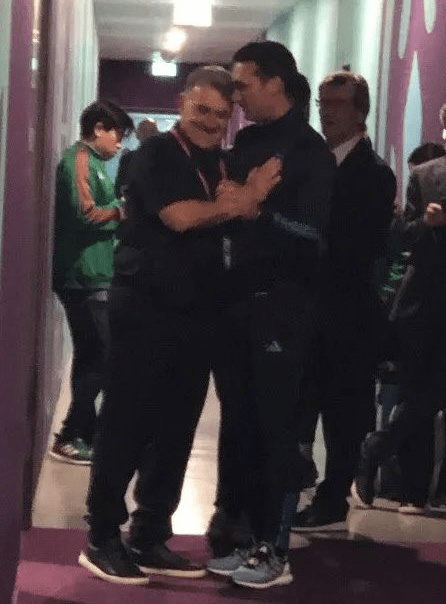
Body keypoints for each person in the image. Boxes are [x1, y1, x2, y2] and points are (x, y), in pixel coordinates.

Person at [78, 66, 281, 586]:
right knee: (126, 424)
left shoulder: (221, 162)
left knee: (176, 429)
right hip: (144, 310)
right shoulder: (154, 154)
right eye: (201, 110)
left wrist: (236, 202)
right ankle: (102, 537)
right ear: (181, 103)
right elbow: (180, 217)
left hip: (198, 315)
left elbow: (230, 215)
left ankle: (149, 534)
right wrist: (237, 202)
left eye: (221, 114)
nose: (211, 122)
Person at [206, 41, 335, 588]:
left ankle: (273, 549)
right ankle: (243, 534)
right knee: (241, 424)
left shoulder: (309, 152)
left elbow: (312, 235)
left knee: (277, 428)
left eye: (243, 85)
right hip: (237, 304)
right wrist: (240, 205)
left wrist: (255, 210)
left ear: (275, 83)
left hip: (285, 307)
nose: (235, 97)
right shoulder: (247, 142)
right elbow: (226, 207)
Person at [292, 70, 396, 530]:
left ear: (360, 112)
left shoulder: (373, 173)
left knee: (342, 413)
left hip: (347, 314)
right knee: (300, 404)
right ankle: (299, 484)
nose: (326, 112)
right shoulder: (312, 161)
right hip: (305, 309)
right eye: (322, 103)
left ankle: (334, 498)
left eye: (336, 103)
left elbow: (357, 248)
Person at [352, 103, 446, 513]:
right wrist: (427, 223)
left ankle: (377, 448)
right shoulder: (425, 175)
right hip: (424, 304)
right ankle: (413, 491)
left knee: (428, 394)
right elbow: (403, 235)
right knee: (419, 392)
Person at [50, 101, 134, 465]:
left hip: (97, 272)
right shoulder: (79, 161)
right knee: (102, 355)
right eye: (118, 135)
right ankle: (72, 434)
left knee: (93, 356)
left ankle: (84, 432)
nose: (120, 144)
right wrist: (121, 212)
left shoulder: (97, 164)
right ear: (99, 128)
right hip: (81, 275)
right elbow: (85, 214)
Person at [114, 118, 159, 197]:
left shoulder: (165, 158)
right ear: (138, 134)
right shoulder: (128, 158)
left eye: (152, 131)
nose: (147, 134)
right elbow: (119, 190)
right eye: (144, 131)